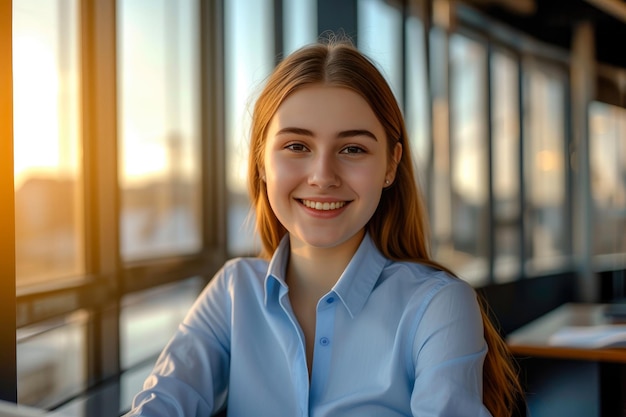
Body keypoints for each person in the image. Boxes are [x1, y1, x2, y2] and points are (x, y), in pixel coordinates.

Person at [124, 39, 523, 417]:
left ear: (390, 164)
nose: (322, 176)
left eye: (352, 149)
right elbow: (161, 403)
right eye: (297, 146)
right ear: (262, 161)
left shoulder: (437, 306)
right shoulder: (233, 292)